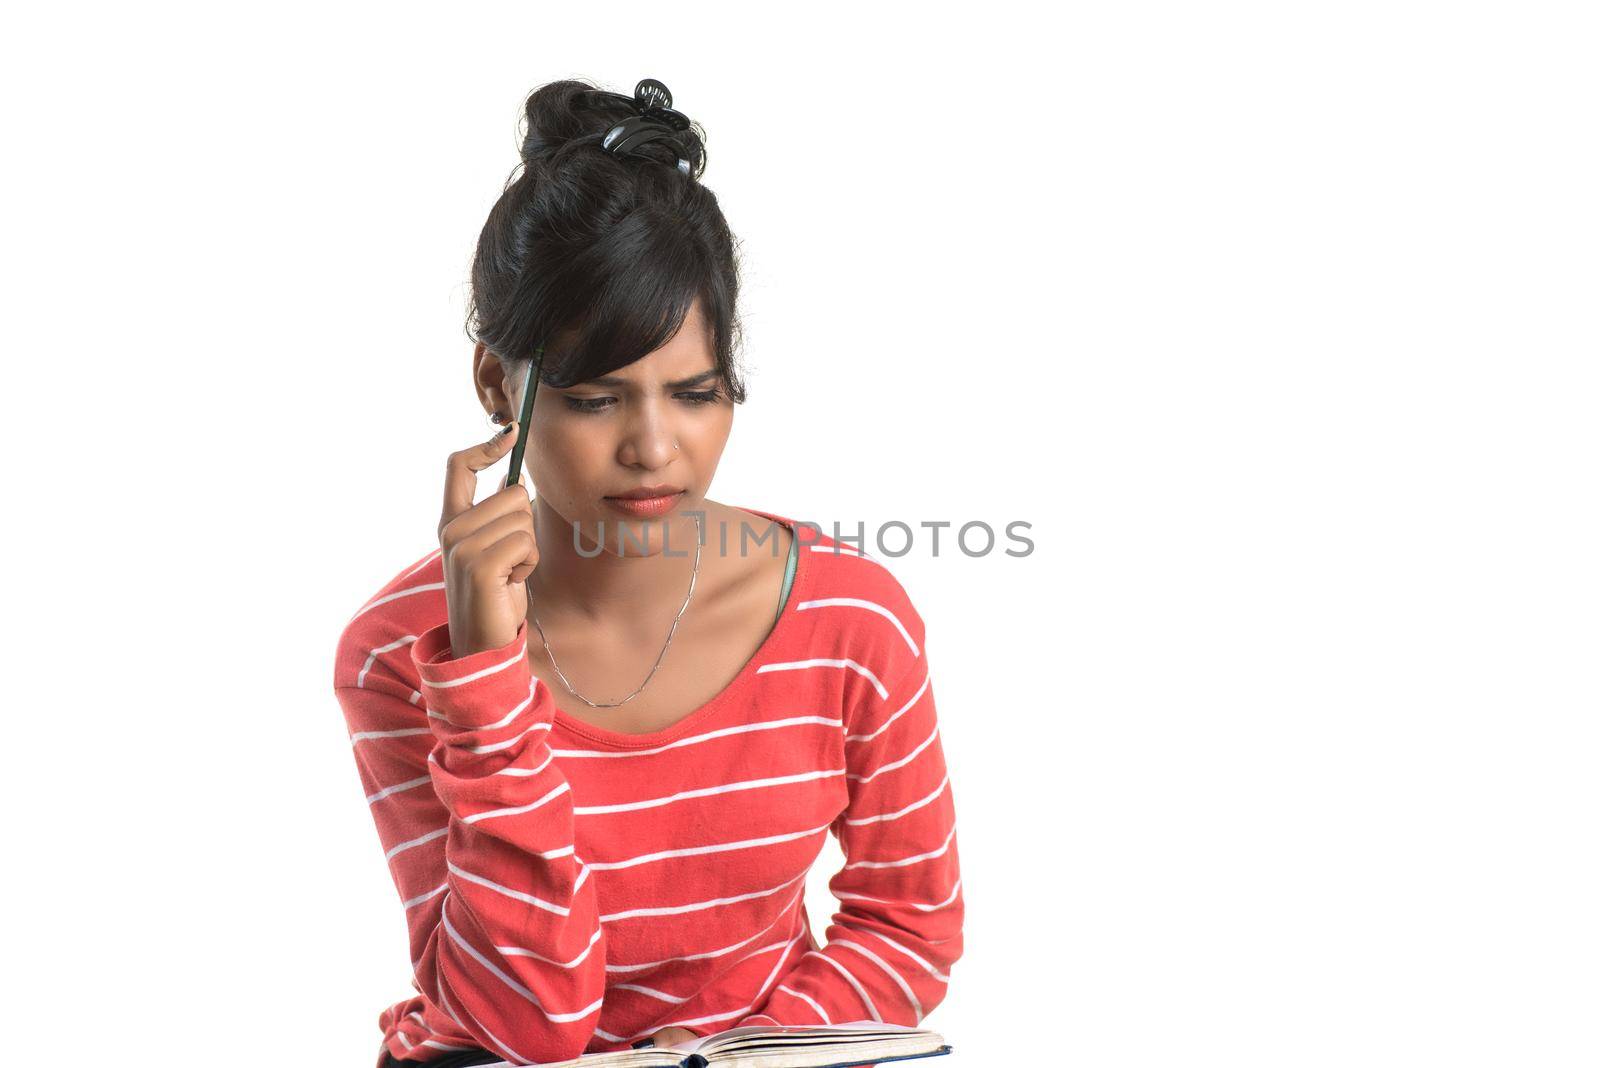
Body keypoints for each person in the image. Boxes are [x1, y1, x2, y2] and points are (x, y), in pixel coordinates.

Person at [332, 77, 964, 1068]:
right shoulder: (396, 650)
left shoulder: (851, 618)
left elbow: (908, 928)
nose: (655, 448)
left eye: (696, 394)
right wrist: (484, 683)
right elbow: (519, 1024)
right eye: (595, 400)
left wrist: (737, 1053)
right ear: (500, 386)